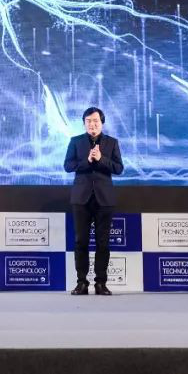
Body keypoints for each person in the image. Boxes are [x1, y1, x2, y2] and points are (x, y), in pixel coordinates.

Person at [63, 107, 124, 295]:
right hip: (81, 199)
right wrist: (87, 161)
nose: (92, 124)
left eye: (96, 121)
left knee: (102, 243)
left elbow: (119, 168)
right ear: (84, 123)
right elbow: (68, 166)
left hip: (104, 199)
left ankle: (100, 283)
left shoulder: (112, 143)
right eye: (88, 121)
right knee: (81, 242)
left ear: (102, 123)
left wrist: (101, 159)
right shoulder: (75, 141)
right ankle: (82, 283)